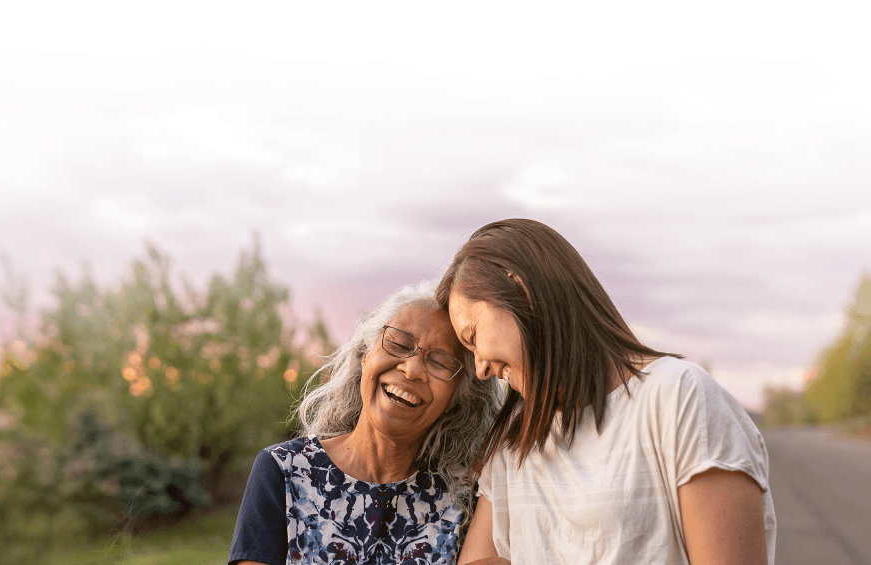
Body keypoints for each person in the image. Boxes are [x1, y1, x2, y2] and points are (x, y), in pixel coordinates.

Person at [439, 219, 776, 565]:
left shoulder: (679, 398)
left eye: (473, 337)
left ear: (521, 291)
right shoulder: (514, 441)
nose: (480, 368)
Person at [229, 281, 500, 565]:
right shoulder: (284, 470)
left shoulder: (468, 498)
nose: (412, 369)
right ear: (366, 354)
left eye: (440, 363)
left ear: (456, 396)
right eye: (399, 344)